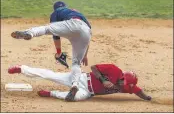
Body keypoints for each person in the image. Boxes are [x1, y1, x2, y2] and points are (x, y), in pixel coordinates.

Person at [10, 1, 92, 101]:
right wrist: (85, 55)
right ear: (66, 7)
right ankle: (75, 85)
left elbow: (56, 35)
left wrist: (58, 52)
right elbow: (88, 34)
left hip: (72, 24)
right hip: (86, 32)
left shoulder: (56, 12)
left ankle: (29, 33)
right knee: (76, 63)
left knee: (46, 29)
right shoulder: (77, 12)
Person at [8, 64, 152, 102]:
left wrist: (148, 98)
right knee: (51, 75)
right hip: (81, 79)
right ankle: (21, 68)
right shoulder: (114, 70)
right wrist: (103, 80)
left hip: (88, 92)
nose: (124, 87)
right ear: (122, 77)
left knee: (76, 98)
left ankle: (51, 93)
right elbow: (94, 68)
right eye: (124, 84)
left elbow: (139, 92)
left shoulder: (127, 87)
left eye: (127, 86)